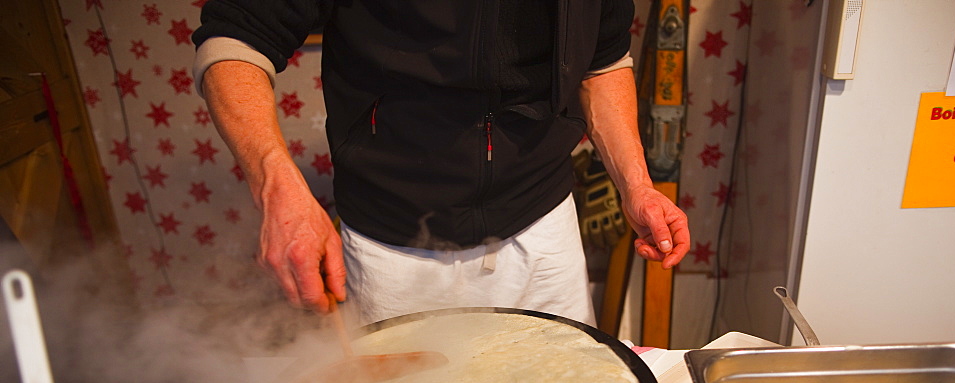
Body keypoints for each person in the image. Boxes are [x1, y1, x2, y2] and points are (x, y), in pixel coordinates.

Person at [193, 1, 689, 327]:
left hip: (542, 230)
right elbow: (236, 39)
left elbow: (603, 61)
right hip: (395, 248)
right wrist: (277, 187)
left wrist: (637, 185)